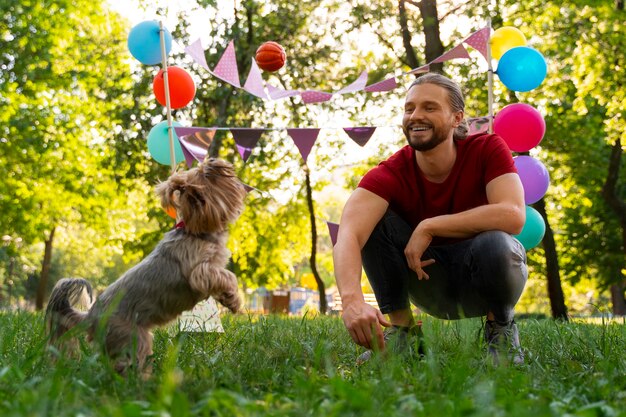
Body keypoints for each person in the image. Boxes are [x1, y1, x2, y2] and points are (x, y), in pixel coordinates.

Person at [333, 72, 528, 364]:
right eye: (409, 108)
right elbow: (348, 234)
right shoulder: (390, 172)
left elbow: (513, 215)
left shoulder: (487, 148)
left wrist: (431, 226)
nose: (415, 115)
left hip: (484, 278)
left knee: (497, 242)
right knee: (373, 223)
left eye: (429, 107)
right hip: (426, 280)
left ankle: (500, 334)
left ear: (457, 118)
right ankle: (403, 336)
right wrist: (351, 300)